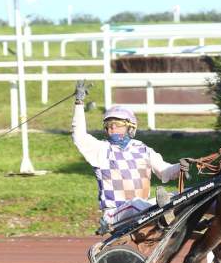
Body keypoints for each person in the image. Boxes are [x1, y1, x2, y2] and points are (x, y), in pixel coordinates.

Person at [71, 81, 185, 232]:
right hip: (114, 215)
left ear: (131, 127)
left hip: (144, 210)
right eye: (108, 125)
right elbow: (79, 136)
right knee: (135, 203)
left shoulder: (143, 149)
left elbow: (165, 170)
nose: (111, 128)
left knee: (182, 196)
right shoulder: (101, 149)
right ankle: (165, 214)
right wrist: (79, 103)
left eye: (117, 124)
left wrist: (181, 166)